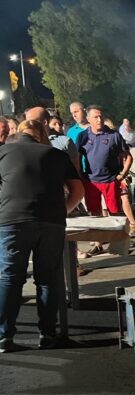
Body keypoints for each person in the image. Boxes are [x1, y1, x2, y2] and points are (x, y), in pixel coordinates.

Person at [0, 120, 84, 353]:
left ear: (18, 133)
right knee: (47, 279)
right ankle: (47, 335)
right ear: (40, 134)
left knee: (10, 278)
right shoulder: (56, 154)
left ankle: (4, 336)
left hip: (11, 221)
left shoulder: (3, 152)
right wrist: (62, 210)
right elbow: (78, 191)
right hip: (51, 222)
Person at [76, 105, 134, 251]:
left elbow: (128, 156)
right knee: (94, 213)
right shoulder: (83, 136)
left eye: (101, 116)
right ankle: (98, 243)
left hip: (110, 179)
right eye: (95, 117)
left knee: (115, 212)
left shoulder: (114, 135)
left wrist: (123, 174)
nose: (99, 119)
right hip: (91, 181)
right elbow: (77, 157)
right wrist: (80, 175)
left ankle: (118, 242)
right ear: (88, 119)